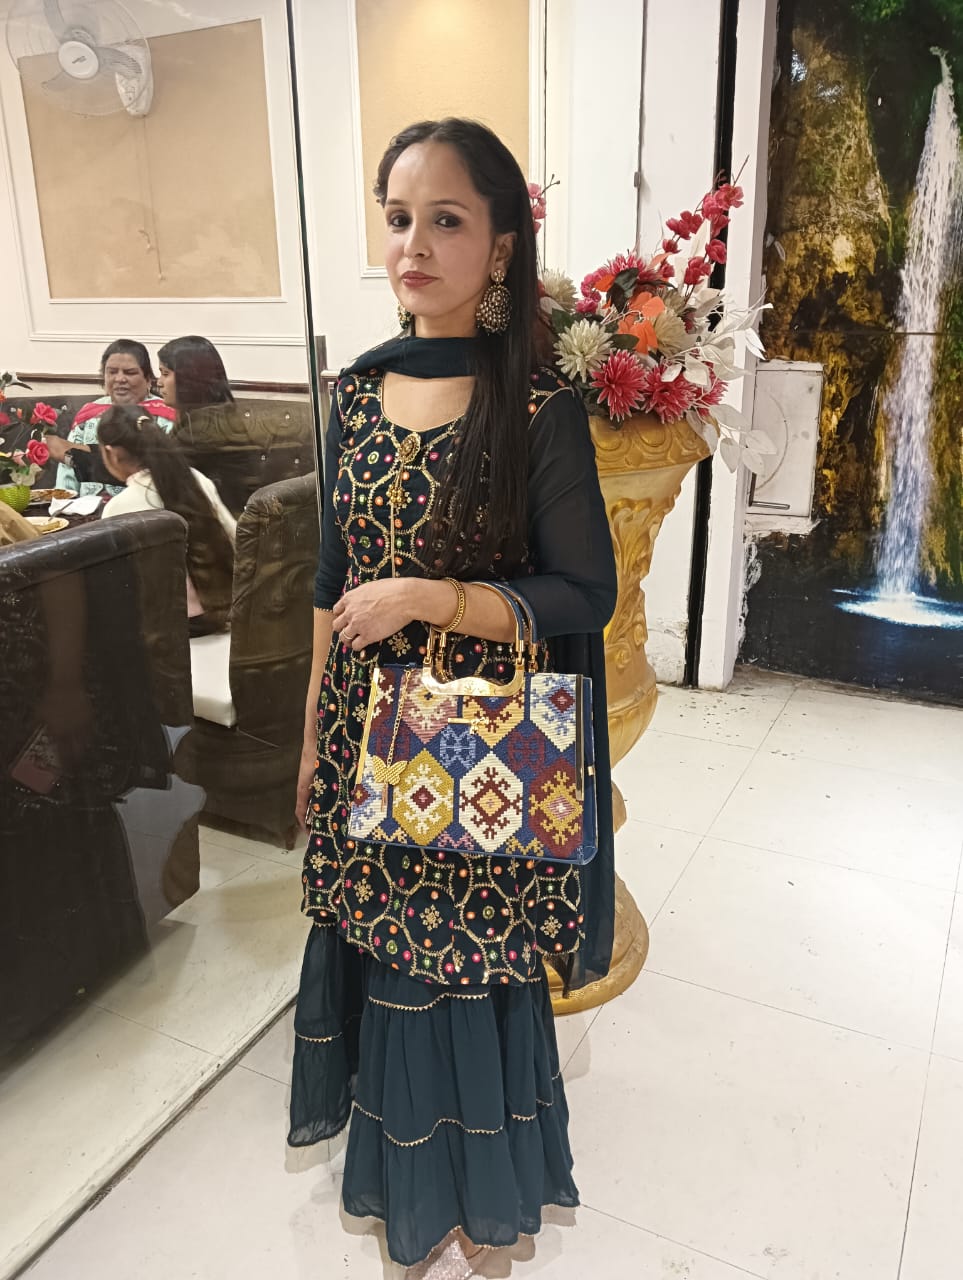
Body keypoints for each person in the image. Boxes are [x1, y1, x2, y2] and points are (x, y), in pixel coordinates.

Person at [289, 118, 617, 1279]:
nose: (413, 246)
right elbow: (329, 587)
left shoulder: (532, 406)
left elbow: (587, 590)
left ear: (502, 244)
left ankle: (478, 1205)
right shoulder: (355, 392)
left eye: (446, 219)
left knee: (457, 971)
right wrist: (309, 744)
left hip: (471, 749)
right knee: (381, 961)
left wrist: (432, 596)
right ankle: (407, 1193)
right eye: (397, 218)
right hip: (359, 736)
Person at [98, 406, 236, 635]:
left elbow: (116, 586)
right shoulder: (195, 478)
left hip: (169, 628)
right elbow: (234, 536)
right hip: (223, 609)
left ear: (112, 453)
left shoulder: (119, 507)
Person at [43, 339, 175, 498]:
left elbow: (161, 473)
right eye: (112, 372)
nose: (120, 379)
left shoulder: (165, 416)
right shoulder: (89, 414)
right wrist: (62, 505)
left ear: (147, 379)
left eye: (130, 372)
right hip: (84, 508)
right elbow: (66, 475)